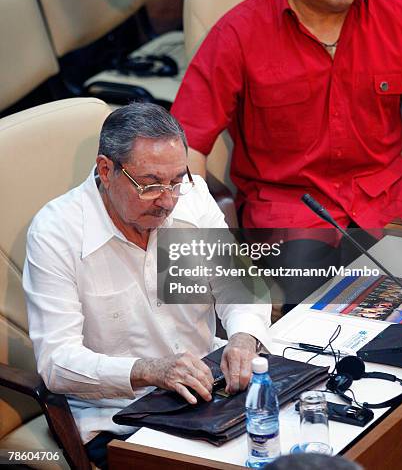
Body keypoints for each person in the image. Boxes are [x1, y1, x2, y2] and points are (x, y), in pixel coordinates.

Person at [171, 0, 402, 302]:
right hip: (290, 215)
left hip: (388, 198)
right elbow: (185, 146)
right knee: (319, 318)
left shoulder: (397, 14)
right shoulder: (240, 33)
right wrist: (205, 246)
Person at [23, 103, 271, 467]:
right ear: (106, 170)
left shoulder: (194, 198)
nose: (168, 201)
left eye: (175, 181)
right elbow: (57, 362)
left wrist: (243, 338)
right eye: (151, 185)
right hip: (122, 417)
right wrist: (149, 370)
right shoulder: (56, 233)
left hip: (210, 391)